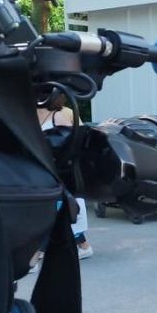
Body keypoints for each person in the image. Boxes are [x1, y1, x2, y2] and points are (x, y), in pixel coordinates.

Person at [36, 94, 93, 260]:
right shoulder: (30, 115)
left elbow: (74, 145)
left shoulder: (61, 115)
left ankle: (37, 252)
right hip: (42, 171)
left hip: (60, 173)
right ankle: (82, 246)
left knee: (60, 210)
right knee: (51, 211)